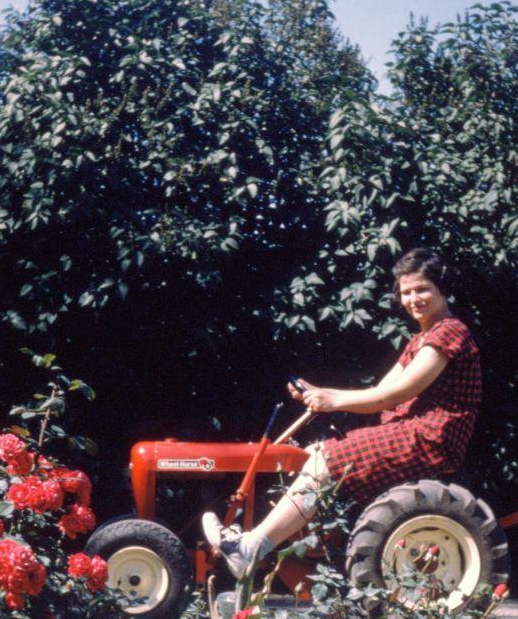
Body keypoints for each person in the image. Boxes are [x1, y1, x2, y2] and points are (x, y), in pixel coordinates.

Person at [202, 247, 481, 577]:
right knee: (312, 454)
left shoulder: (449, 332)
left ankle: (252, 548)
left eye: (422, 289)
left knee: (327, 461)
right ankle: (280, 548)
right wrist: (319, 393)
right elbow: (381, 392)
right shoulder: (421, 339)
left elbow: (396, 394)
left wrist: (332, 401)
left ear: (441, 289)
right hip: (414, 433)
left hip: (430, 439)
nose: (413, 299)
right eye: (406, 292)